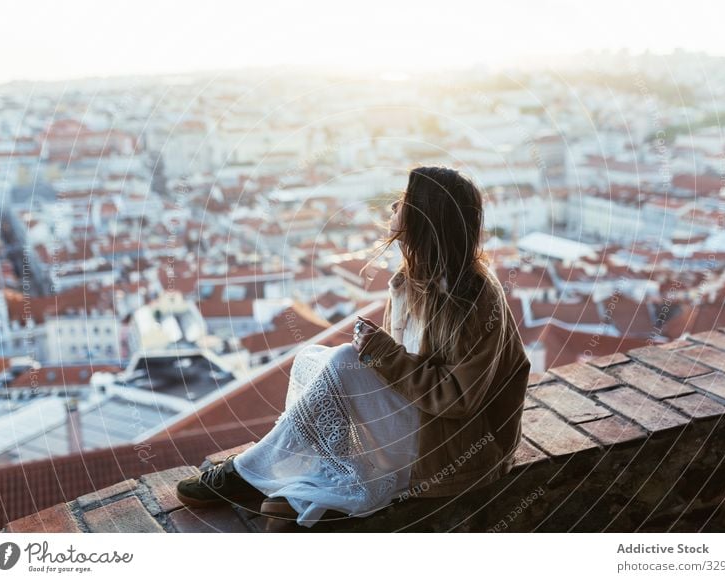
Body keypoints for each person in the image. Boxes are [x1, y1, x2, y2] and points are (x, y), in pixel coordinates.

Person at [176, 165, 531, 527]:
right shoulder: (412, 280)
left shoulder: (472, 298)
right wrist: (380, 354)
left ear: (429, 218)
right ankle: (311, 474)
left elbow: (457, 399)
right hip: (426, 429)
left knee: (345, 359)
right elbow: (408, 371)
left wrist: (380, 353)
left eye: (405, 201)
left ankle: (247, 473)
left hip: (455, 453)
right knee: (313, 358)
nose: (394, 207)